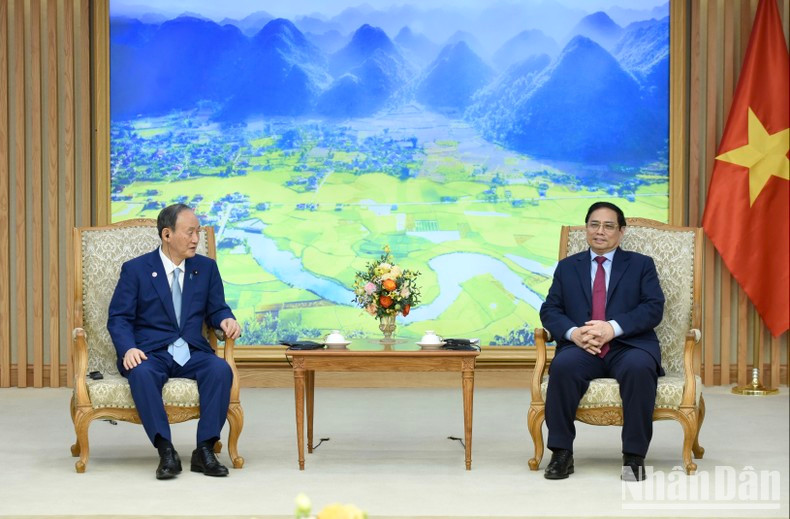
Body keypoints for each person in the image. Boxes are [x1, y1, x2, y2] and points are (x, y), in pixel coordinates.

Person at [108, 204, 242, 479]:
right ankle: (165, 450)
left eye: (198, 232)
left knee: (220, 370)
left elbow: (216, 308)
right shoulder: (136, 270)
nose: (196, 239)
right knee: (141, 373)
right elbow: (119, 317)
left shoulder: (206, 268)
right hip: (151, 352)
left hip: (191, 350)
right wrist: (128, 348)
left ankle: (204, 450)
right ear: (167, 234)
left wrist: (225, 319)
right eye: (189, 232)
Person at [539, 201, 664, 481]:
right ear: (586, 229)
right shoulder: (567, 267)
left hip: (628, 345)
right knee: (563, 367)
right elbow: (550, 310)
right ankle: (561, 453)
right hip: (582, 347)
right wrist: (574, 333)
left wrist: (612, 328)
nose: (600, 231)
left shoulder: (641, 265)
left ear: (621, 232)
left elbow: (653, 308)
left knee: (639, 368)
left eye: (608, 226)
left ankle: (633, 456)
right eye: (594, 224)